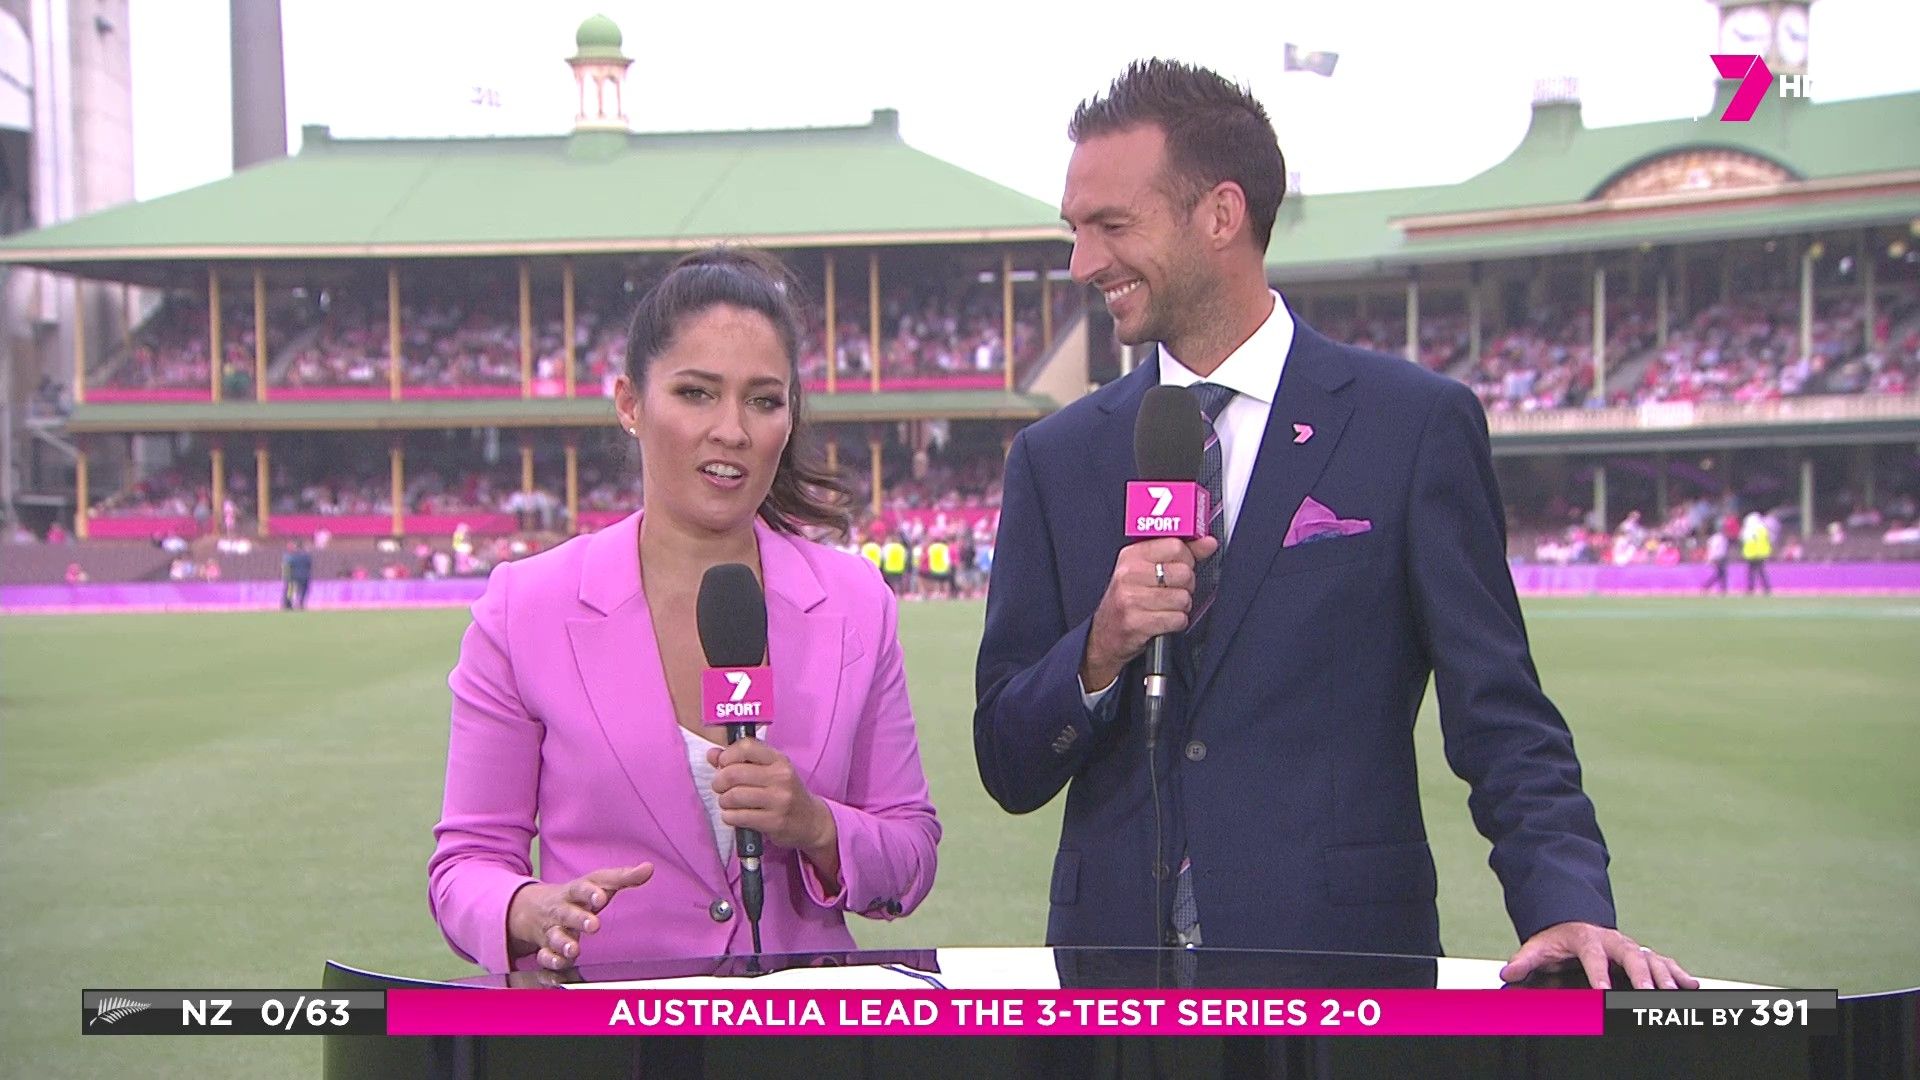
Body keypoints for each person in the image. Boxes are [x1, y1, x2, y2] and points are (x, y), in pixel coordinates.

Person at [973, 60, 1693, 991]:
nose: (1083, 262)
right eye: (1075, 230)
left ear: (1221, 215)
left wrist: (1565, 904)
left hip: (1344, 980)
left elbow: (1500, 710)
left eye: (1112, 225)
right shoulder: (1055, 457)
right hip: (1116, 988)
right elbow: (1007, 762)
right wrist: (1099, 649)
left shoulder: (1410, 425)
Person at [429, 250, 940, 975]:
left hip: (797, 1029)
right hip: (608, 1024)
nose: (732, 429)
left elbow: (911, 854)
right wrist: (527, 909)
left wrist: (817, 825)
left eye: (763, 401)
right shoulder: (524, 608)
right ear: (630, 404)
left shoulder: (857, 604)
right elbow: (465, 867)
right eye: (697, 393)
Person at [1741, 510, 1774, 595]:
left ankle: (1750, 589)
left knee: (1751, 573)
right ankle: (1766, 588)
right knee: (1761, 572)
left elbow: (1744, 540)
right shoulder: (1762, 528)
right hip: (1761, 554)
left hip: (1751, 554)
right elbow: (1768, 540)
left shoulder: (1748, 529)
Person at [1701, 529, 1730, 594]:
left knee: (1720, 574)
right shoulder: (1718, 539)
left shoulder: (1720, 538)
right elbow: (1714, 549)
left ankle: (1708, 586)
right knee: (1721, 574)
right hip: (1718, 558)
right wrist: (1711, 558)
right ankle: (1708, 586)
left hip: (1720, 557)